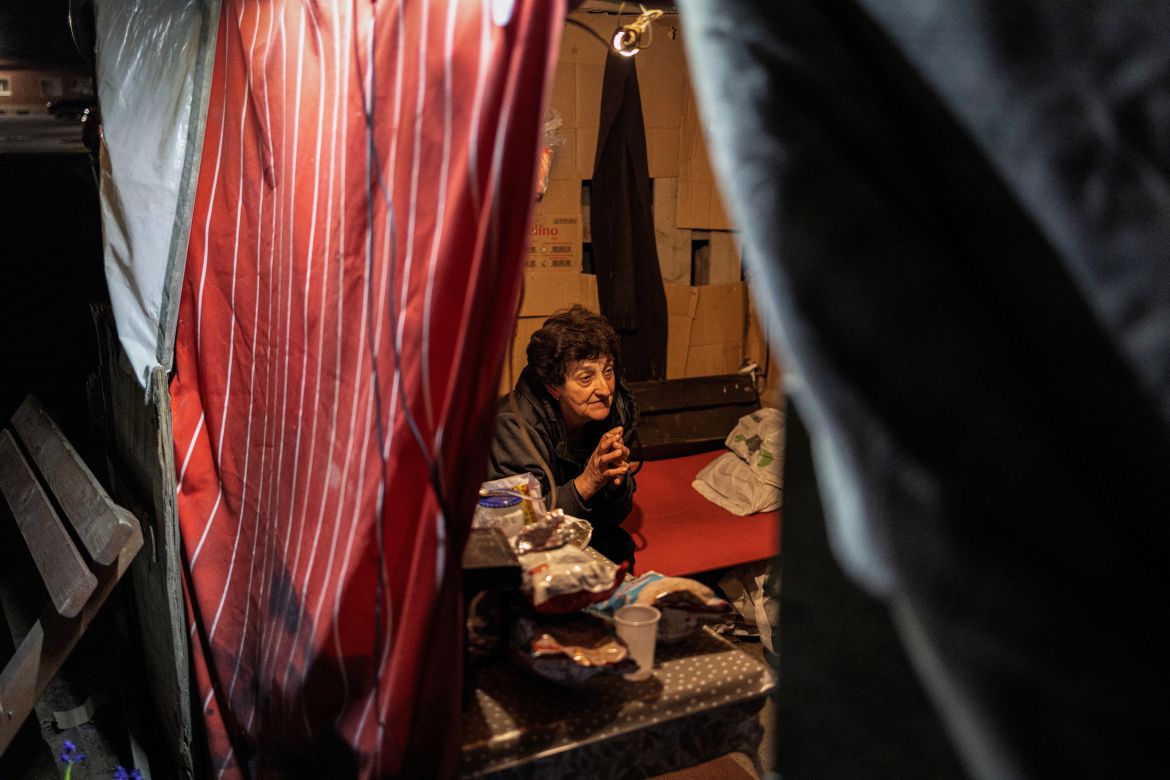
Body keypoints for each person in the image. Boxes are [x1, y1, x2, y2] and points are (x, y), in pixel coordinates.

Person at [488, 305, 638, 569]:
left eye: (608, 371)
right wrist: (588, 482)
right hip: (521, 557)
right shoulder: (515, 427)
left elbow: (613, 517)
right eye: (585, 377)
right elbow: (522, 530)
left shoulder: (606, 413)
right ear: (554, 386)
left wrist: (615, 486)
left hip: (581, 539)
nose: (604, 388)